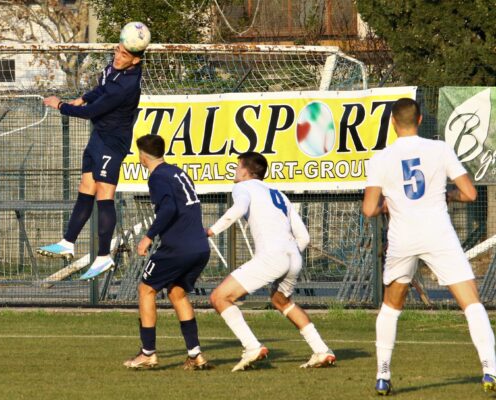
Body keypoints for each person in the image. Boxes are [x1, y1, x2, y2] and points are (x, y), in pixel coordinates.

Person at [362, 98, 496, 395]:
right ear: (420, 120)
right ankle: (490, 370)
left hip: (402, 238)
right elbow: (471, 193)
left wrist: (388, 205)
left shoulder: (381, 158)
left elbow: (369, 209)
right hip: (439, 235)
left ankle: (383, 374)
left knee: (391, 306)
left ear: (393, 124)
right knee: (471, 302)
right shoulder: (440, 149)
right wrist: (449, 196)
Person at [38, 26, 149, 280]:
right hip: (99, 137)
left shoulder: (128, 86)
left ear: (135, 59)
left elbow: (91, 112)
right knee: (86, 186)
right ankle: (68, 242)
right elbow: (102, 88)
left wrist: (62, 105)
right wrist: (83, 97)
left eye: (123, 54)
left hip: (113, 142)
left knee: (104, 194)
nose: (117, 56)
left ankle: (103, 257)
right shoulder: (115, 68)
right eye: (117, 51)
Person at [208, 152, 335, 372]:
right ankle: (322, 350)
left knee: (219, 297)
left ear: (246, 171)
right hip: (293, 256)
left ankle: (252, 347)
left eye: (238, 167)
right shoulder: (278, 194)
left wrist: (211, 230)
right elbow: (304, 237)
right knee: (281, 301)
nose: (235, 171)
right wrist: (288, 256)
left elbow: (237, 209)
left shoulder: (243, 187)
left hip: (273, 256)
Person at [123, 134, 211, 370]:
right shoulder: (177, 172)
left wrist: (148, 237)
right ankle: (195, 354)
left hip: (177, 248)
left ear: (142, 156)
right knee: (177, 293)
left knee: (146, 289)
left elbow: (169, 208)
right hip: (199, 246)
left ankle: (147, 353)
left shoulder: (158, 176)